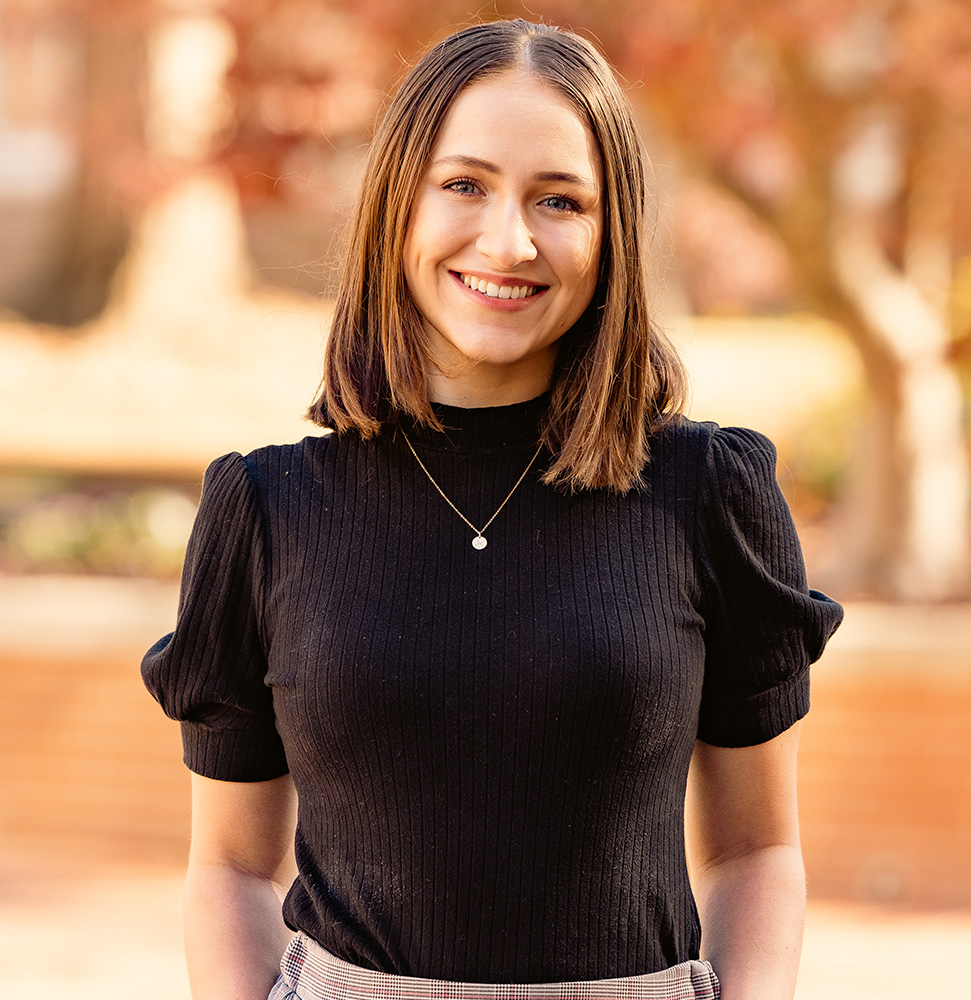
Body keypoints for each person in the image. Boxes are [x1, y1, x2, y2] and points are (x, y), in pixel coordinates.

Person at [142, 18, 843, 1000]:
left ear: (611, 236)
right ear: (398, 205)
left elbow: (756, 848)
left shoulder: (707, 492)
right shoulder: (267, 509)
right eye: (463, 184)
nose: (507, 240)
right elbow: (228, 864)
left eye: (559, 200)